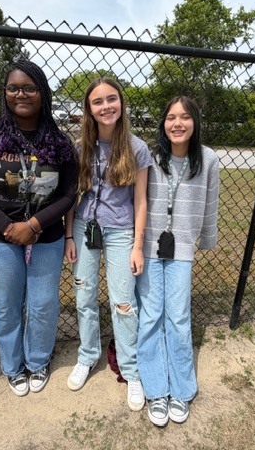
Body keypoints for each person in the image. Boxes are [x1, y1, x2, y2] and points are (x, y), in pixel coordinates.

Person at [0, 60, 77, 397]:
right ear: (5, 93)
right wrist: (10, 227)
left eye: (29, 87)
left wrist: (34, 224)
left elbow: (70, 193)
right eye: (13, 87)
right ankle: (13, 367)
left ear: (42, 94)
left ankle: (38, 361)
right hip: (0, 238)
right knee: (7, 304)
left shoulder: (60, 142)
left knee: (43, 303)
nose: (20, 94)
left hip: (47, 236)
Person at [64, 77, 153, 411]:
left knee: (123, 302)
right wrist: (70, 234)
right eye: (98, 102)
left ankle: (130, 370)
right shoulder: (80, 146)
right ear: (89, 108)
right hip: (86, 228)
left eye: (111, 99)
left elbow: (141, 200)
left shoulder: (136, 147)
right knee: (84, 294)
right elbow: (73, 196)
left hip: (120, 233)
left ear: (121, 103)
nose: (106, 107)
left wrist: (137, 245)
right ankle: (88, 355)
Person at [136, 96, 219, 426]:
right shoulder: (151, 157)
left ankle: (182, 390)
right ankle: (156, 389)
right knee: (151, 314)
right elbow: (138, 200)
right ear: (163, 123)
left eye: (185, 117)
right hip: (149, 246)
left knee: (179, 316)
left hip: (182, 248)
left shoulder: (208, 159)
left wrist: (207, 239)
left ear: (195, 122)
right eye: (171, 117)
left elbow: (211, 202)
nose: (177, 123)